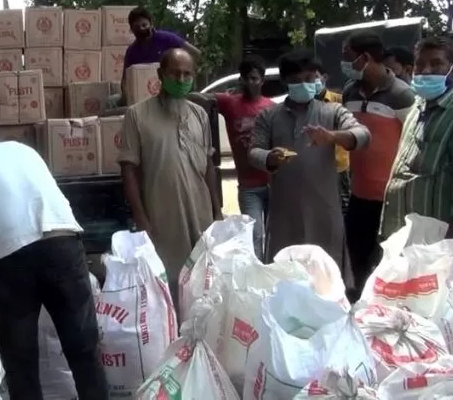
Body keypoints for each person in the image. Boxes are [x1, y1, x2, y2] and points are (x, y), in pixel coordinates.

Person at [0, 114, 107, 400]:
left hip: (9, 260)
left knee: (20, 360)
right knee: (84, 349)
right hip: (63, 243)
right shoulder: (25, 150)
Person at [118, 48, 222, 307]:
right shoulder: (137, 115)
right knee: (169, 284)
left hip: (201, 213)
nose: (182, 79)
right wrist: (142, 219)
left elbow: (209, 165)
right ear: (160, 75)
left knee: (203, 282)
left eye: (187, 74)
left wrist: (217, 210)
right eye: (175, 73)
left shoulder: (199, 114)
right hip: (162, 215)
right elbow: (128, 170)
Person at [248, 50, 370, 267]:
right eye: (297, 80)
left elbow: (362, 135)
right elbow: (254, 151)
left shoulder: (332, 111)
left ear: (318, 78)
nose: (305, 84)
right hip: (284, 211)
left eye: (309, 79)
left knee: (326, 272)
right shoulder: (268, 116)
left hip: (324, 208)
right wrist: (269, 158)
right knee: (284, 272)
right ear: (285, 81)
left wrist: (333, 136)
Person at [341, 31, 414, 299]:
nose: (344, 63)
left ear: (366, 57)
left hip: (391, 199)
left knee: (388, 262)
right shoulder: (349, 92)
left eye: (348, 57)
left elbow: (415, 140)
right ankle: (358, 310)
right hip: (358, 195)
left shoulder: (403, 95)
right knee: (355, 258)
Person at [188, 56, 274, 259]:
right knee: (254, 235)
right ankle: (256, 274)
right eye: (246, 78)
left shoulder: (271, 107)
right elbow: (196, 97)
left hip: (273, 183)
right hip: (248, 187)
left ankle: (272, 273)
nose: (250, 83)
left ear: (261, 81)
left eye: (254, 78)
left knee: (273, 235)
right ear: (241, 81)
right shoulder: (229, 102)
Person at [381, 36, 453, 239]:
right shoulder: (417, 106)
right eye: (420, 64)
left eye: (437, 63)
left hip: (437, 240)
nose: (426, 70)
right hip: (401, 230)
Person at [109, 7, 202, 108]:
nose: (141, 29)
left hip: (172, 88)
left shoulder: (167, 38)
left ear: (151, 24)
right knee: (111, 101)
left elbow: (195, 52)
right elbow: (125, 81)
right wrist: (126, 98)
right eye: (137, 27)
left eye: (144, 25)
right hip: (144, 98)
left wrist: (188, 73)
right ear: (131, 30)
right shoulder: (132, 51)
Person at [314, 66, 351, 216]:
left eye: (315, 76)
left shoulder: (339, 101)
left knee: (344, 208)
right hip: (316, 166)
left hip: (339, 165)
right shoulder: (305, 106)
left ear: (324, 77)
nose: (313, 81)